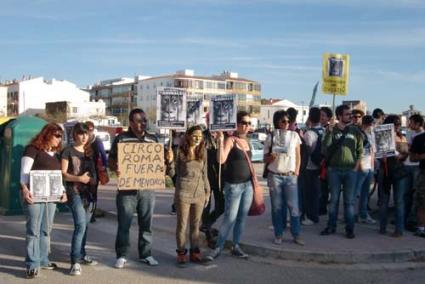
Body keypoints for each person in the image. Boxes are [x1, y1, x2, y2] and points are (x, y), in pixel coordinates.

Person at [109, 108, 173, 269]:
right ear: (131, 122)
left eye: (145, 120)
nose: (143, 123)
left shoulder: (153, 139)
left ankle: (146, 254)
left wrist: (168, 159)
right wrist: (116, 167)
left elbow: (161, 162)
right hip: (126, 190)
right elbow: (111, 160)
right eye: (139, 120)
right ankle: (122, 255)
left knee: (146, 224)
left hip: (147, 189)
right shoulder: (121, 139)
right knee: (124, 224)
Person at [20, 123, 67, 278]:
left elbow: (57, 177)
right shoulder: (32, 149)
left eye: (61, 136)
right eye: (57, 136)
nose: (59, 139)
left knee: (46, 229)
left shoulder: (56, 154)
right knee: (33, 230)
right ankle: (32, 264)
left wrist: (63, 191)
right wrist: (25, 190)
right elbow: (24, 174)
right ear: (47, 134)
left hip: (51, 198)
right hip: (34, 195)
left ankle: (43, 259)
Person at [205, 111, 254, 261]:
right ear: (237, 124)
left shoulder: (248, 141)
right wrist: (220, 141)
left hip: (248, 186)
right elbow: (220, 159)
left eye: (249, 123)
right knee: (229, 218)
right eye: (244, 123)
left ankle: (236, 246)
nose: (246, 126)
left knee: (241, 219)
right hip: (234, 186)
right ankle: (218, 247)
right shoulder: (231, 140)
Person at [167, 125, 210, 265]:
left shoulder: (203, 151)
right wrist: (170, 162)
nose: (198, 138)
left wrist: (207, 191)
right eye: (194, 135)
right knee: (182, 225)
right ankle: (181, 252)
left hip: (199, 193)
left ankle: (195, 252)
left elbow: (205, 174)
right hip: (183, 193)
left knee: (196, 225)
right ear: (188, 136)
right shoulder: (179, 152)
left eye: (200, 135)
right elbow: (173, 173)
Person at [321, 104, 363, 239]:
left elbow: (360, 151)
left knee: (349, 202)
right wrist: (329, 132)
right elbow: (325, 149)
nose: (350, 116)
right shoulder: (332, 131)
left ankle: (349, 229)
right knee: (333, 200)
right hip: (334, 171)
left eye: (350, 114)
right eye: (347, 114)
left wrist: (356, 168)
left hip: (350, 171)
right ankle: (331, 226)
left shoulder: (355, 131)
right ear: (339, 116)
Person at [61, 122, 98, 276]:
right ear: (74, 134)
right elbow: (63, 173)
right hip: (74, 191)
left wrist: (94, 179)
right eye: (81, 133)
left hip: (89, 193)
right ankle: (74, 261)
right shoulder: (68, 151)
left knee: (85, 226)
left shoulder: (90, 151)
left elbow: (94, 171)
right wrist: (79, 178)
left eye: (86, 134)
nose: (84, 137)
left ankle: (82, 254)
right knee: (80, 225)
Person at [264, 110, 304, 245]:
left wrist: (297, 171)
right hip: (275, 175)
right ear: (277, 122)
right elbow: (265, 158)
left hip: (290, 175)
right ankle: (278, 234)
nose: (286, 124)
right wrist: (271, 157)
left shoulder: (294, 136)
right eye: (283, 121)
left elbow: (298, 155)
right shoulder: (271, 136)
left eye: (288, 121)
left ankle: (296, 234)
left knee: (293, 206)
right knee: (277, 207)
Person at [379, 115, 409, 237]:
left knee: (399, 201)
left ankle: (399, 230)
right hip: (385, 171)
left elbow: (406, 154)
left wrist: (400, 156)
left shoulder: (402, 137)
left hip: (399, 171)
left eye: (398, 124)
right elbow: (378, 155)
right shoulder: (381, 137)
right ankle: (382, 227)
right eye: (395, 124)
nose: (398, 127)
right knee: (384, 201)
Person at [303, 107, 325, 225]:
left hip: (310, 167)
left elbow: (308, 151)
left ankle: (311, 216)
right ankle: (315, 214)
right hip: (321, 165)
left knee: (309, 193)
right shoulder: (324, 131)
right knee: (317, 192)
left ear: (310, 118)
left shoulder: (309, 133)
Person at [404, 114, 424, 231]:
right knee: (407, 194)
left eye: (411, 122)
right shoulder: (409, 133)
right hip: (407, 165)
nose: (409, 124)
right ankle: (405, 218)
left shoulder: (421, 136)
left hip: (418, 168)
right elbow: (409, 152)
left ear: (418, 123)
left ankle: (414, 220)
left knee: (417, 194)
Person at [355, 115, 376, 224]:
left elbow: (372, 151)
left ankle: (363, 214)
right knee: (356, 192)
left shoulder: (371, 134)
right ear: (366, 124)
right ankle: (352, 214)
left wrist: (372, 167)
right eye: (370, 124)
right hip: (361, 167)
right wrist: (360, 167)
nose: (371, 126)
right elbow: (357, 152)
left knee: (365, 193)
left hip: (369, 167)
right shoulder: (359, 134)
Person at [85, 121, 108, 223]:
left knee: (93, 193)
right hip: (83, 171)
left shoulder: (97, 141)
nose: (89, 132)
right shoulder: (83, 140)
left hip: (94, 171)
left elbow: (103, 155)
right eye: (87, 130)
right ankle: (86, 212)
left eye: (91, 130)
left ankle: (92, 214)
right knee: (84, 193)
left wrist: (104, 168)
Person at [409, 126, 425, 237]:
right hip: (423, 174)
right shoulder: (419, 139)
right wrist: (422, 156)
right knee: (421, 201)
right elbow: (412, 158)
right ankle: (421, 228)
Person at [319, 106, 333, 216]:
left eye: (323, 115)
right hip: (318, 161)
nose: (321, 117)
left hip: (326, 162)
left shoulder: (330, 129)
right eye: (320, 115)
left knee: (324, 187)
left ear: (329, 118)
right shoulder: (317, 128)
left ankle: (322, 208)